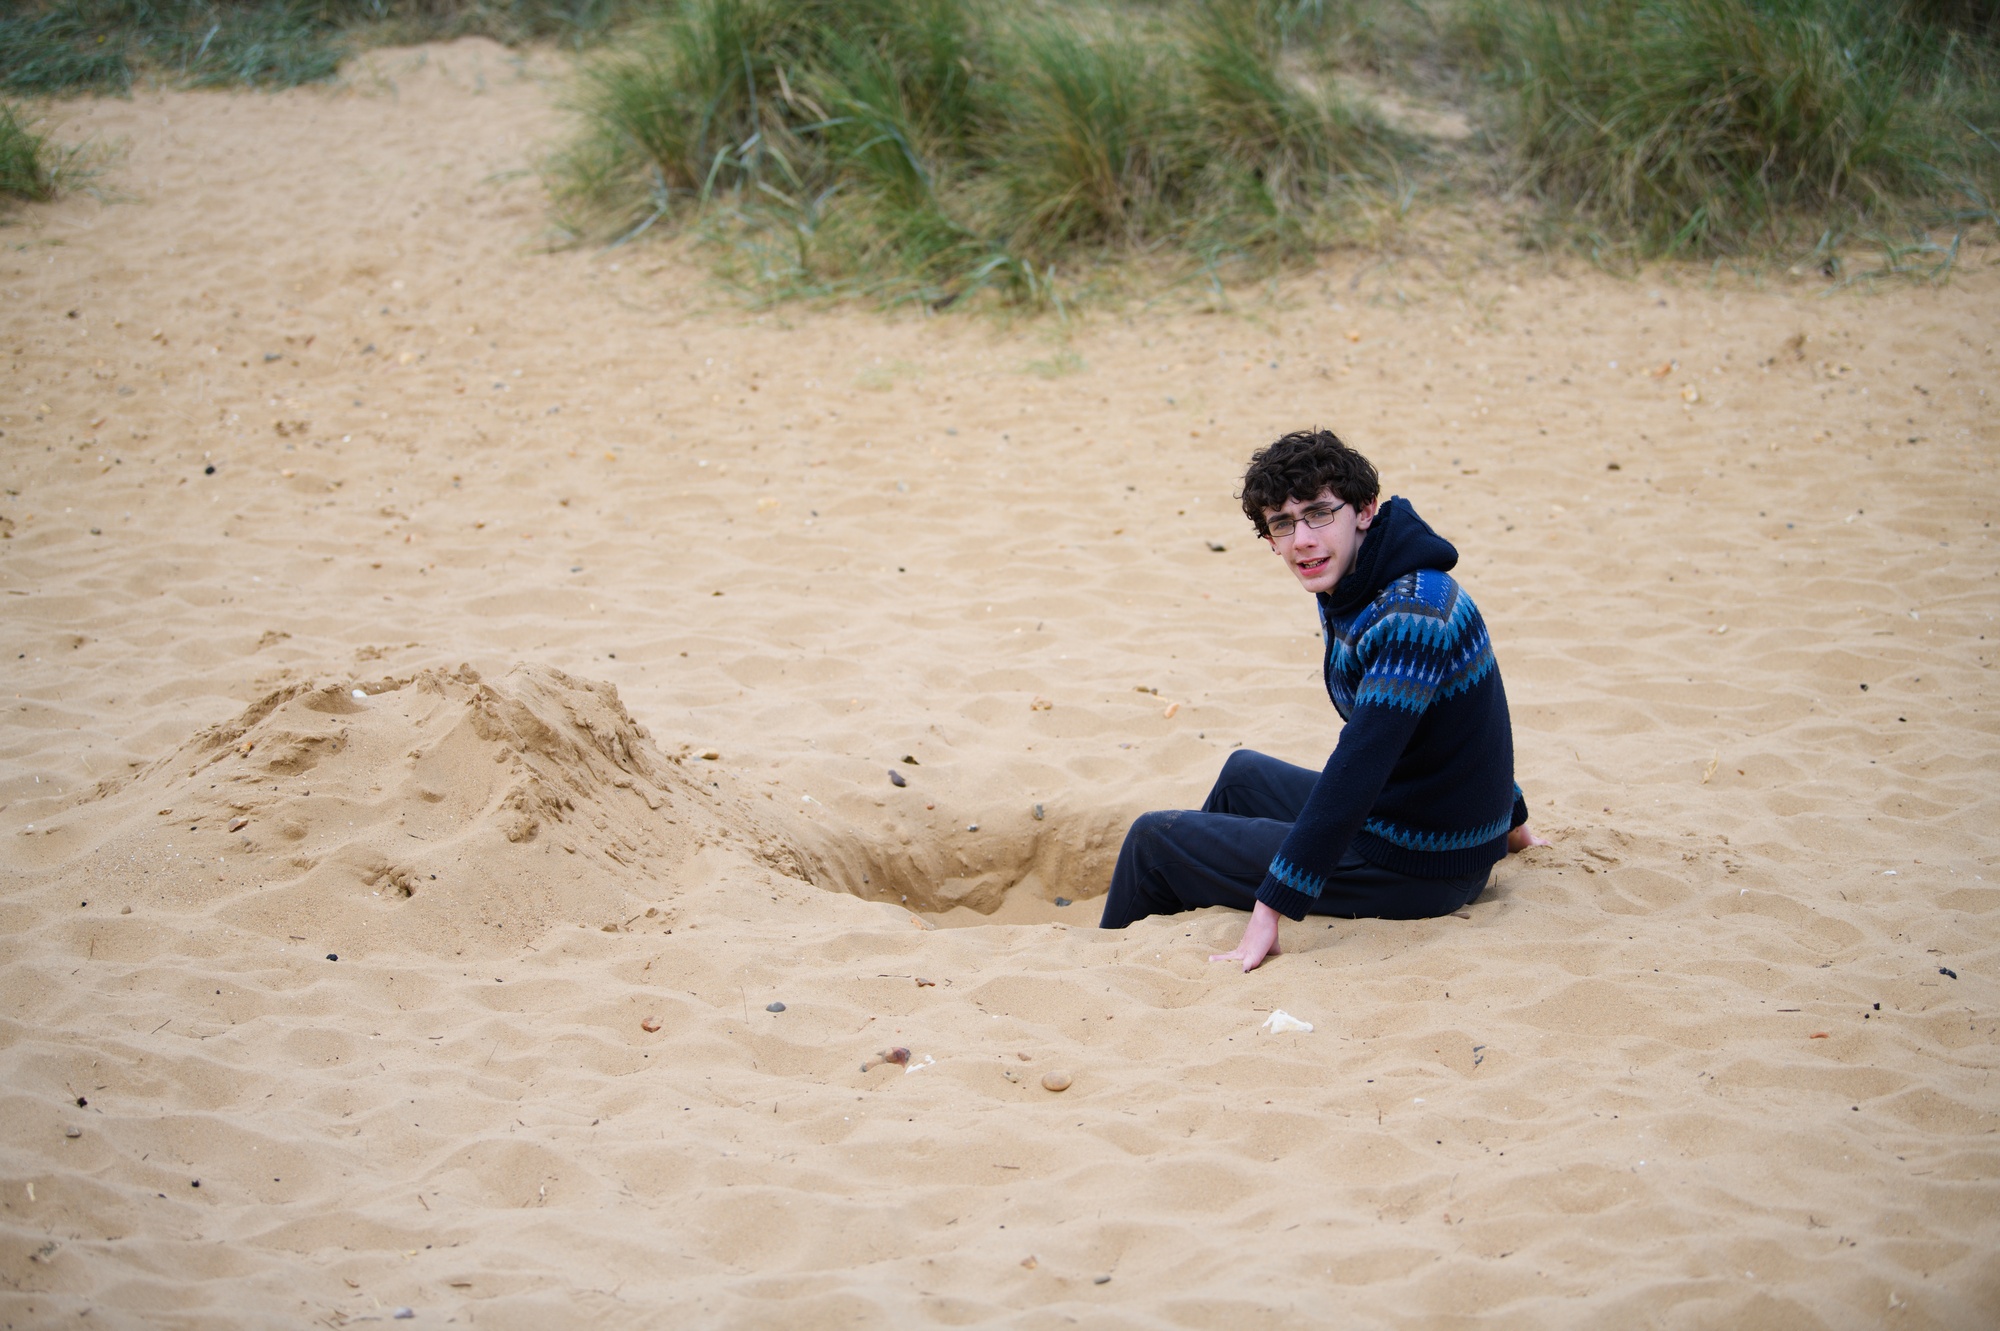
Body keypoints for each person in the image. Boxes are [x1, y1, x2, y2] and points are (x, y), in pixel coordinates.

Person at [1098, 428, 1546, 970]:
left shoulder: (1410, 614)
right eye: (1282, 523)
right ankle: (1192, 909)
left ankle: (1103, 968)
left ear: (1365, 510)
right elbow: (1461, 720)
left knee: (1153, 841)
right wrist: (1514, 825)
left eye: (1318, 514)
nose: (1302, 540)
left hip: (1422, 863)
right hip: (1425, 824)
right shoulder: (1361, 579)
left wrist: (1272, 907)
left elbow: (1360, 765)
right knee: (1242, 776)